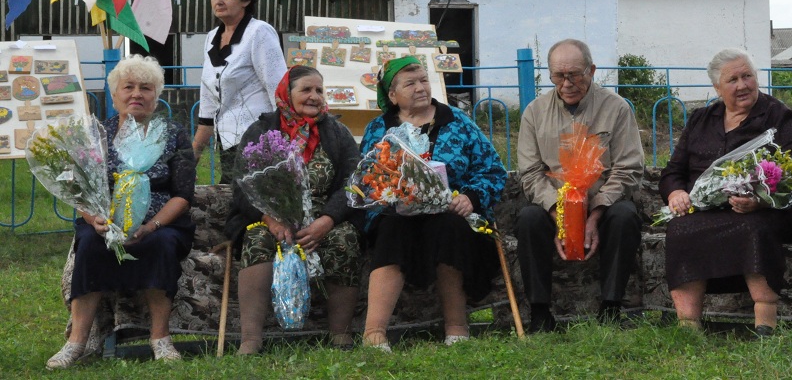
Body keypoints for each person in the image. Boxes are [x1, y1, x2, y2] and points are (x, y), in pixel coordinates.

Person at [47, 55, 196, 369]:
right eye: (128, 87)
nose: (137, 94)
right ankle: (77, 343)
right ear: (114, 96)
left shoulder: (174, 135)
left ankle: (161, 340)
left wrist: (152, 225)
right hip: (105, 221)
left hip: (160, 223)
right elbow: (79, 189)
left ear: (156, 96)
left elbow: (183, 195)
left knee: (162, 244)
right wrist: (95, 219)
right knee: (89, 242)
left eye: (146, 88)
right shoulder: (95, 136)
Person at [658, 48, 792, 335]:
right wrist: (675, 193)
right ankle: (689, 327)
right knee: (680, 229)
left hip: (763, 210)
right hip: (705, 211)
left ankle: (765, 327)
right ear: (717, 88)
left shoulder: (778, 116)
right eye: (733, 80)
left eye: (748, 76)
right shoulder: (701, 119)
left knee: (752, 228)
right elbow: (673, 171)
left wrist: (760, 199)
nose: (742, 85)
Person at [359, 56, 507, 352]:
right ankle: (374, 333)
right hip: (397, 214)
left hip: (450, 212)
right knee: (392, 230)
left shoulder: (458, 122)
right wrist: (390, 193)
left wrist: (470, 197)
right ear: (392, 95)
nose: (420, 88)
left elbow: (492, 169)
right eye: (410, 83)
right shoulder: (379, 128)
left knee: (449, 226)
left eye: (424, 80)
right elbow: (366, 177)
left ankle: (456, 327)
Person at [226, 66, 363, 353]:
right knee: (257, 240)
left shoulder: (337, 133)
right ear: (286, 94)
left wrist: (326, 220)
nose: (314, 96)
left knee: (345, 238)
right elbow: (241, 186)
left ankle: (341, 334)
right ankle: (250, 340)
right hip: (271, 219)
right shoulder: (262, 130)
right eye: (306, 90)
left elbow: (354, 182)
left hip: (325, 218)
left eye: (319, 90)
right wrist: (272, 221)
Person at [516, 39, 644, 332]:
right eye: (558, 76)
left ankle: (611, 308)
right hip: (554, 203)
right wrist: (561, 217)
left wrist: (594, 213)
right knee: (528, 219)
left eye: (575, 74)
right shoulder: (534, 113)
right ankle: (539, 313)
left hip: (604, 200)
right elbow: (531, 173)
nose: (567, 83)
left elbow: (629, 168)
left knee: (625, 216)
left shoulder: (617, 108)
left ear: (592, 70)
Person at [193, 0, 285, 183]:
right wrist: (194, 153)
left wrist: (281, 140)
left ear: (245, 0)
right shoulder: (211, 38)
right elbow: (208, 100)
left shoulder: (259, 32)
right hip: (226, 143)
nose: (219, 1)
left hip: (259, 141)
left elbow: (279, 90)